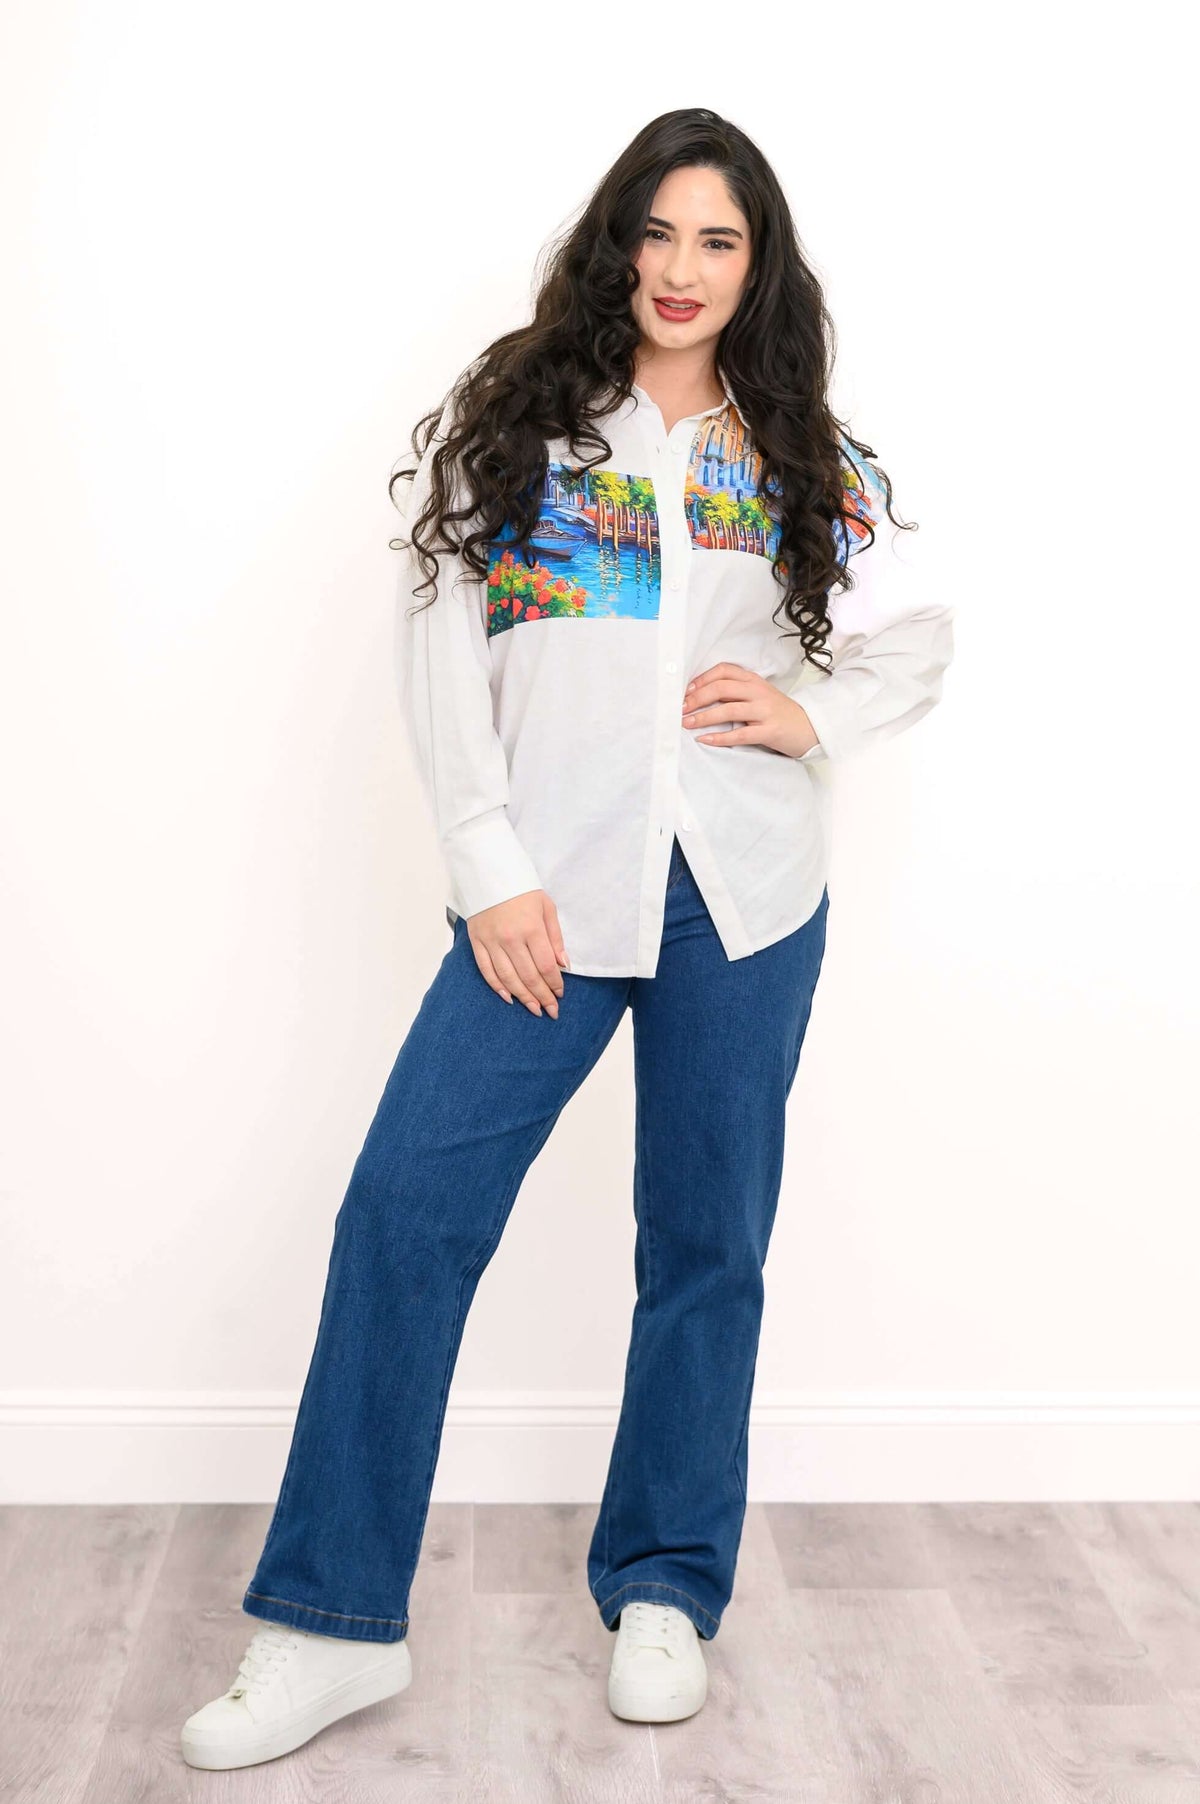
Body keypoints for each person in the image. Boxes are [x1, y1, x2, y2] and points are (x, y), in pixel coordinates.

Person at [181, 106, 954, 1772]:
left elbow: (916, 629)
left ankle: (665, 1586)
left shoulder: (797, 448)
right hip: (547, 893)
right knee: (406, 1216)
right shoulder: (524, 424)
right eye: (659, 233)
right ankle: (329, 1623)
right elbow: (439, 644)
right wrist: (490, 869)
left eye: (719, 241)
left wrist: (810, 713)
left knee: (706, 1243)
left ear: (757, 267)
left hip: (743, 897)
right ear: (619, 244)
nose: (683, 269)